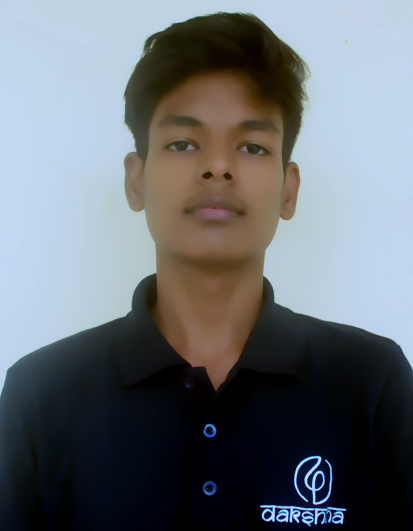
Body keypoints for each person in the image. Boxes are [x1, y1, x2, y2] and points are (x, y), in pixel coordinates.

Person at [0, 11, 412, 531]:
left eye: (252, 146)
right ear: (136, 180)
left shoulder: (372, 385)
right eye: (183, 143)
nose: (218, 166)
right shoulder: (41, 394)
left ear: (288, 190)